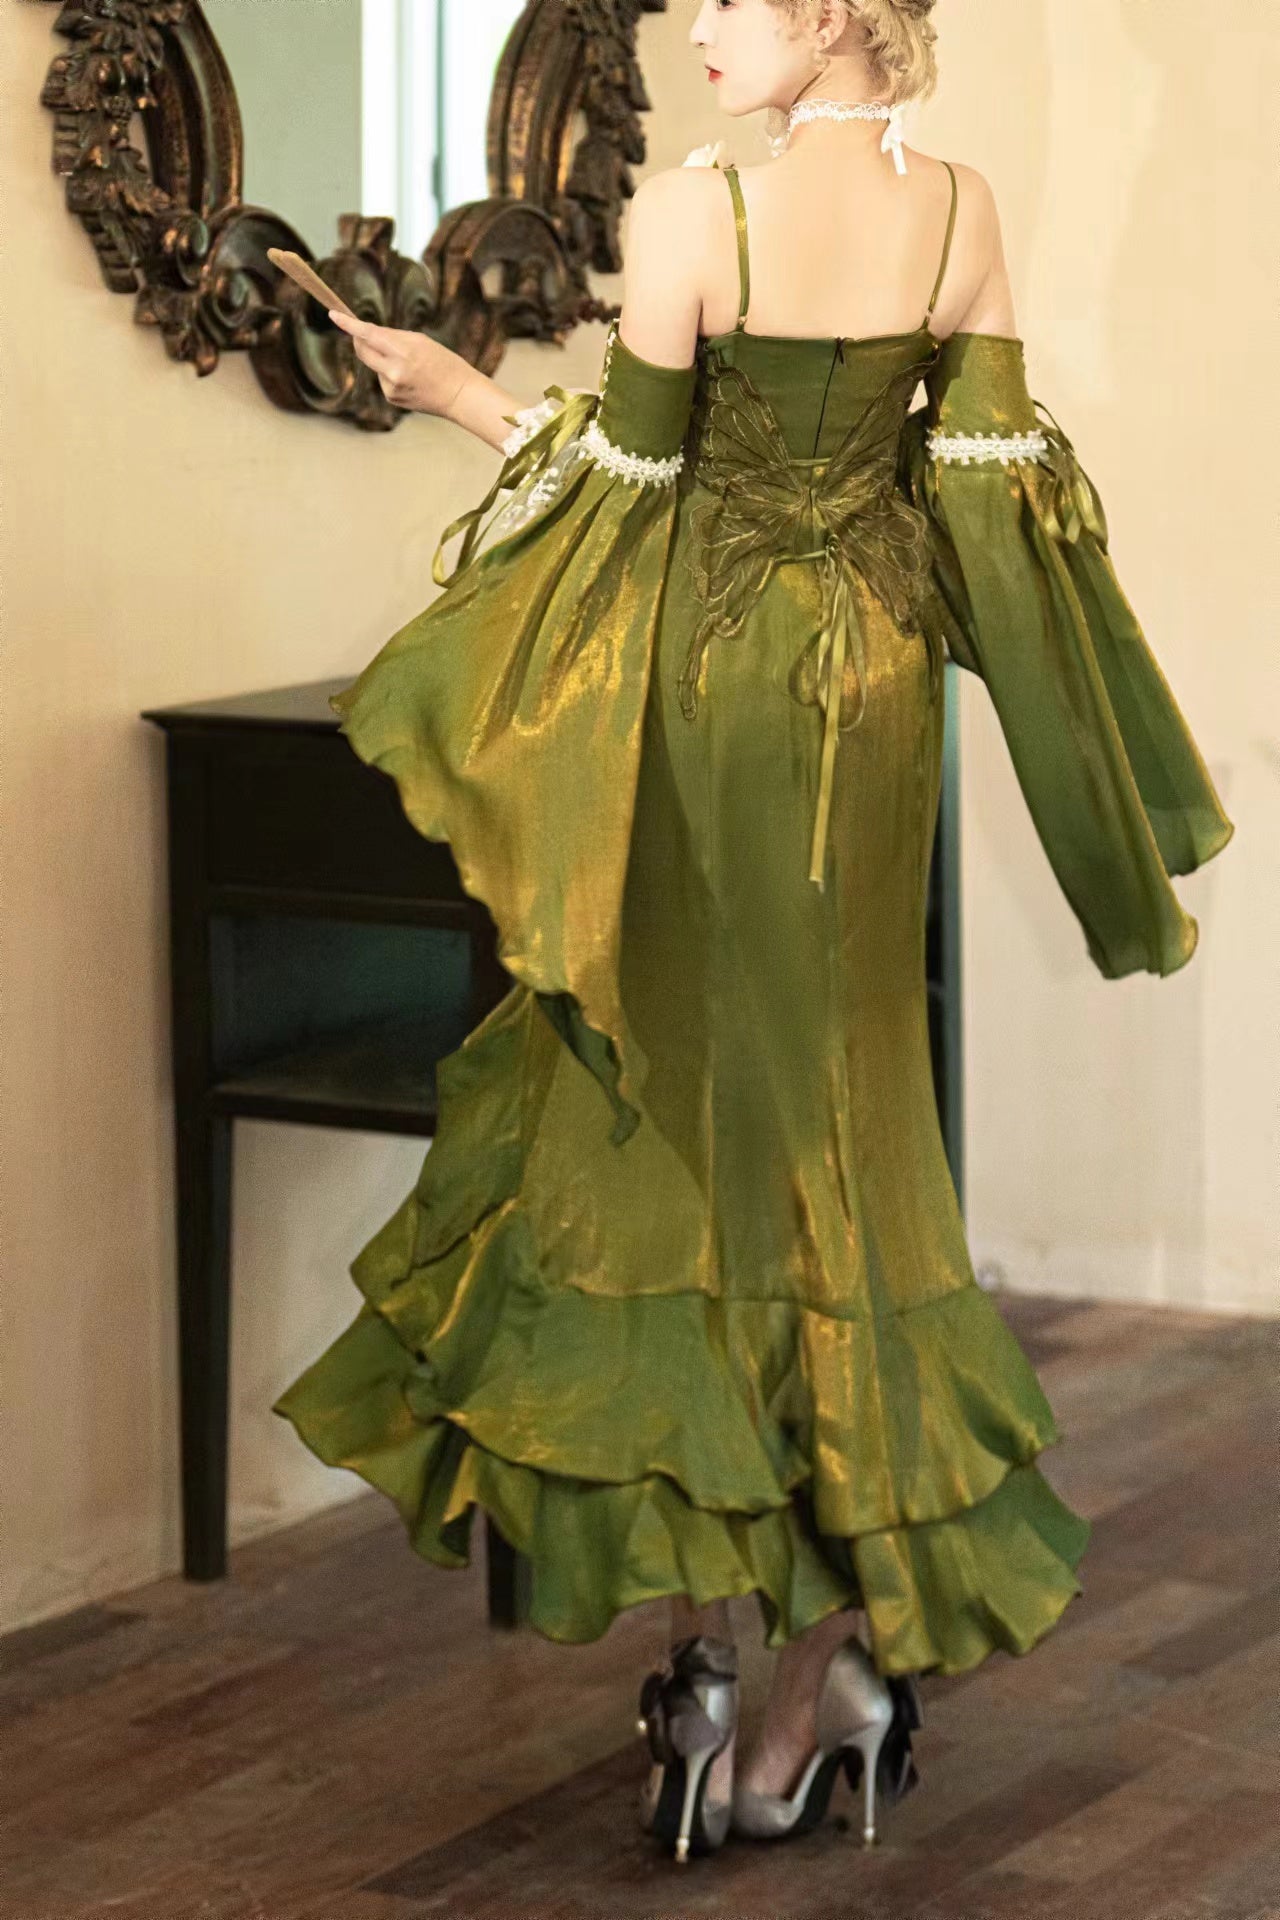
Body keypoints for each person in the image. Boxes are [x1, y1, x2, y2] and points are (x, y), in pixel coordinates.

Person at [272, 0, 1234, 1868]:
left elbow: (625, 500)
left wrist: (456, 397)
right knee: (844, 1136)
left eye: (739, 0)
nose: (701, 31)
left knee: (697, 1144)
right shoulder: (960, 210)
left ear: (841, 12)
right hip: (873, 695)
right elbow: (992, 509)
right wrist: (1091, 759)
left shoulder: (695, 215)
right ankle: (816, 1688)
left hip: (713, 695)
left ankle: (739, 1682)